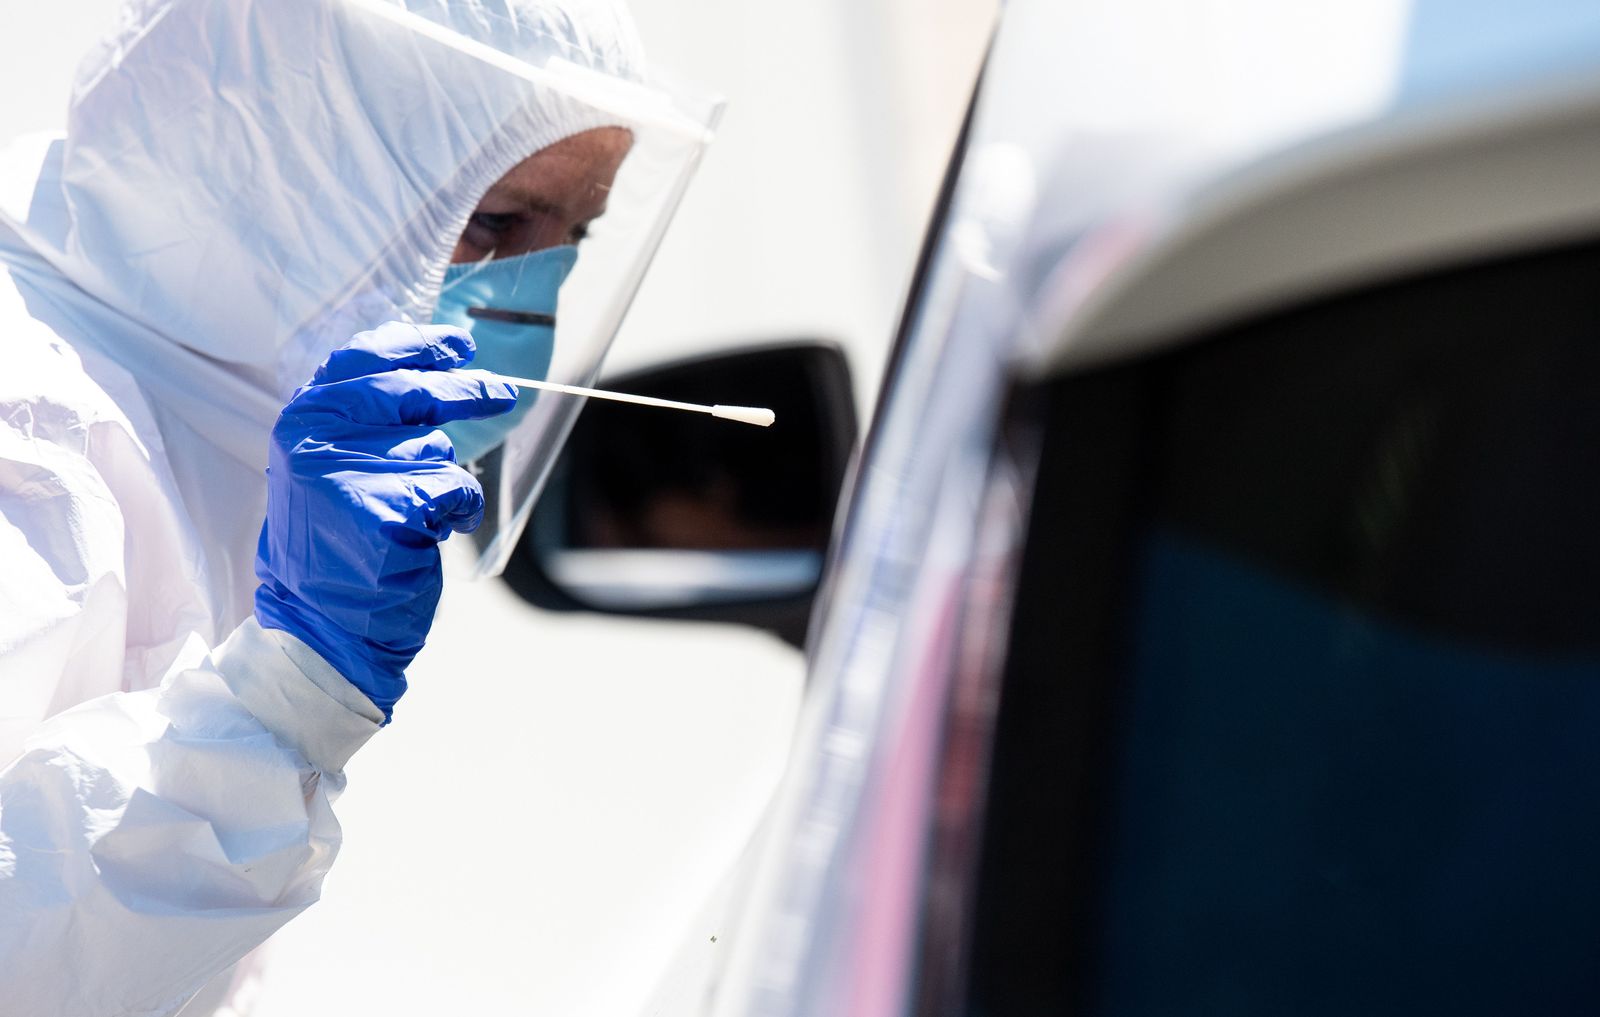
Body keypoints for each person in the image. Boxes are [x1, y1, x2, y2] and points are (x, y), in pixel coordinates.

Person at [0, 1, 696, 1013]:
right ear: (270, 151)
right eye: (496, 221)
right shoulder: (37, 435)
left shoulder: (221, 436)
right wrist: (284, 702)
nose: (528, 302)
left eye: (573, 237)